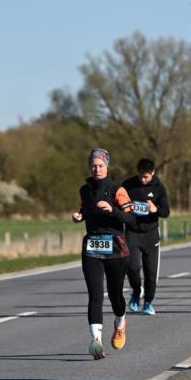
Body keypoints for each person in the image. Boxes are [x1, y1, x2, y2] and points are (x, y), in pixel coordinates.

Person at [72, 148, 136, 358]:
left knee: (115, 294)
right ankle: (96, 341)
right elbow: (85, 209)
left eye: (100, 165)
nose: (96, 169)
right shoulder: (85, 190)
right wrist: (79, 216)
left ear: (107, 167)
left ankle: (120, 321)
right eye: (93, 165)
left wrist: (113, 211)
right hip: (92, 247)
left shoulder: (118, 190)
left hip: (116, 248)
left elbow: (131, 219)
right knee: (95, 295)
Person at [122, 158, 170, 315]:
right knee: (132, 267)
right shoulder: (128, 185)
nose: (143, 180)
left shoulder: (159, 188)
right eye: (140, 176)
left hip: (150, 234)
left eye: (146, 177)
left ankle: (148, 302)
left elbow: (166, 212)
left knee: (150, 272)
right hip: (132, 233)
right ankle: (136, 291)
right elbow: (118, 204)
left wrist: (155, 209)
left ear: (153, 173)